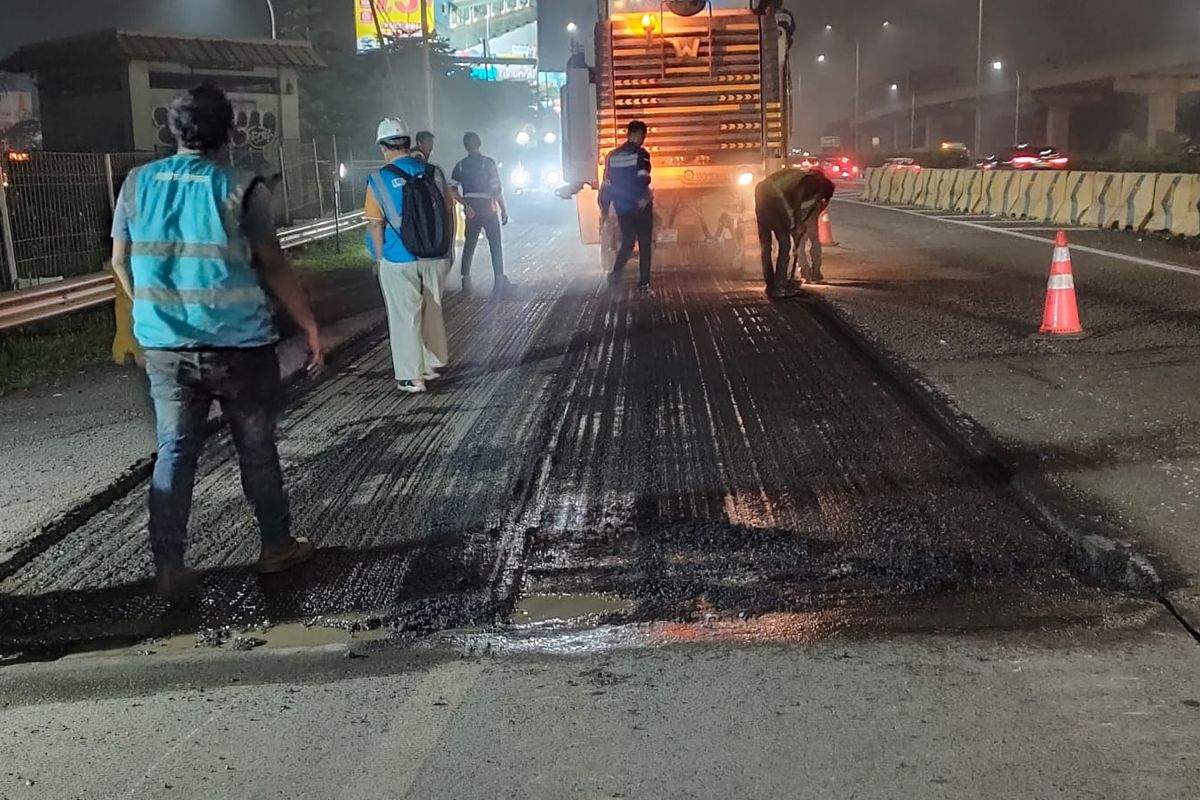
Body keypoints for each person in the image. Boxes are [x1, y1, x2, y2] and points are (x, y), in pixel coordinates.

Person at [109, 83, 322, 595]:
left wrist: (151, 309)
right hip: (240, 348)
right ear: (229, 132)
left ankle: (169, 564)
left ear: (173, 131)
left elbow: (118, 261)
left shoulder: (136, 184)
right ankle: (276, 547)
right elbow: (274, 264)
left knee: (174, 452)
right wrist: (309, 326)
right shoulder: (242, 188)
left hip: (166, 349)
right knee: (256, 446)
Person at [365, 117, 455, 394]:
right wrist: (448, 248)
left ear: (383, 147)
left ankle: (412, 377)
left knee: (404, 316)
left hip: (398, 258)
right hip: (435, 255)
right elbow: (449, 211)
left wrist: (379, 257)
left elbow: (375, 224)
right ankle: (432, 363)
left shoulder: (379, 179)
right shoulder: (434, 172)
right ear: (408, 142)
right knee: (432, 310)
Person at [755, 168, 835, 297]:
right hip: (772, 197)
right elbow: (795, 203)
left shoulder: (802, 181)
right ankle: (780, 287)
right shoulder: (810, 181)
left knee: (766, 246)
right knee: (785, 244)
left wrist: (795, 228)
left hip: (761, 193)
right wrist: (796, 227)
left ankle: (771, 285)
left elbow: (792, 207)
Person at [599, 120, 654, 297]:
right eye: (642, 136)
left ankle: (615, 274)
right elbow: (643, 178)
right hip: (640, 206)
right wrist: (644, 198)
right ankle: (644, 285)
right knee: (645, 244)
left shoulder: (612, 156)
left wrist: (604, 207)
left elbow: (607, 184)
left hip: (622, 207)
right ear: (639, 135)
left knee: (628, 241)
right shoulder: (641, 155)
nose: (643, 140)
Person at [450, 131, 509, 292]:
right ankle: (499, 278)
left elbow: (452, 190)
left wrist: (466, 204)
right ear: (479, 143)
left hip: (471, 211)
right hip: (488, 209)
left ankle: (465, 278)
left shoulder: (460, 165)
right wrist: (503, 209)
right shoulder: (488, 163)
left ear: (465, 146)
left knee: (470, 244)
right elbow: (496, 188)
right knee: (495, 243)